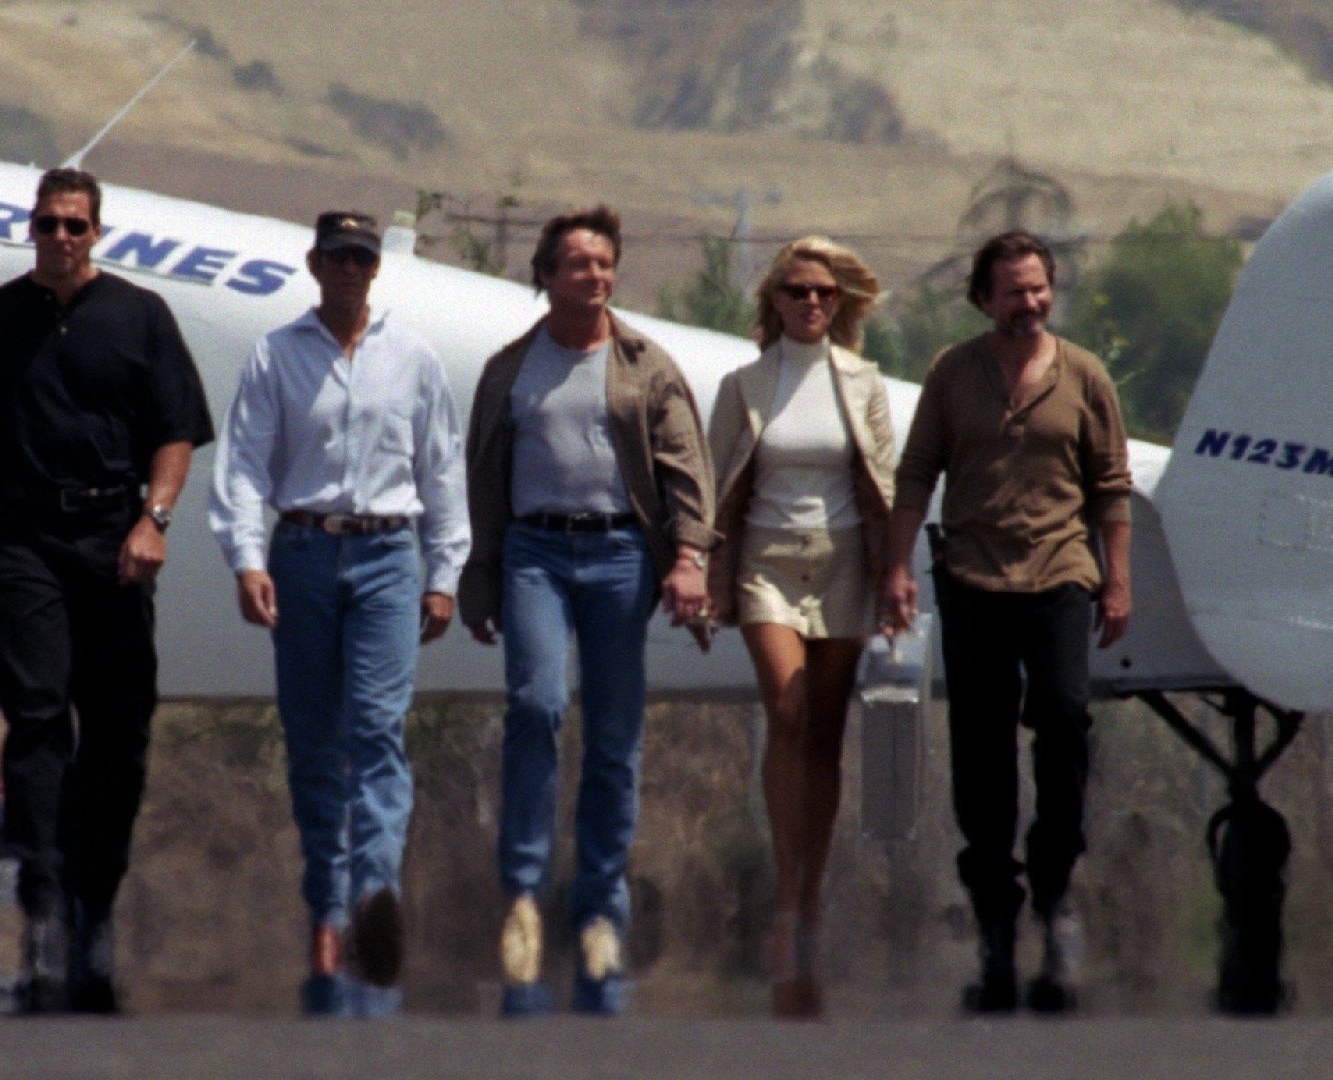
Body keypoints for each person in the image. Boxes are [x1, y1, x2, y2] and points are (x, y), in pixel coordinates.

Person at [0, 167, 214, 1014]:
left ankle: (95, 901)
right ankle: (45, 905)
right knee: (39, 716)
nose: (59, 237)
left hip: (111, 540)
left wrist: (154, 519)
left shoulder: (139, 317)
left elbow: (175, 433)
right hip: (17, 540)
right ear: (30, 227)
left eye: (74, 225)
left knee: (119, 731)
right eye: (47, 223)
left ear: (97, 233)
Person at [210, 211, 469, 1017]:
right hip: (304, 554)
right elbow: (244, 466)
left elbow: (442, 466)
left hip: (389, 555)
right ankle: (327, 906)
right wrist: (247, 559)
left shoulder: (413, 357)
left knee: (379, 730)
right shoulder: (277, 354)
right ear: (315, 263)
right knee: (315, 738)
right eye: (338, 256)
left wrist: (444, 572)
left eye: (362, 256)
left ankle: (373, 898)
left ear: (376, 267)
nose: (351, 268)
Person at [461, 205, 718, 1016]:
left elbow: (687, 472)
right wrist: (479, 574)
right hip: (534, 553)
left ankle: (602, 913)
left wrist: (688, 558)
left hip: (618, 556)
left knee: (613, 734)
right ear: (546, 276)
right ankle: (523, 901)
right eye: (579, 264)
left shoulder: (646, 365)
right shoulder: (510, 368)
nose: (596, 276)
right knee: (536, 705)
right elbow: (482, 479)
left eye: (605, 263)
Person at [880, 230, 1133, 1015]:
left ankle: (1055, 891)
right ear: (984, 299)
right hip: (973, 578)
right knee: (981, 746)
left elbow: (1111, 484)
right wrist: (896, 568)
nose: (1029, 302)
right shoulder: (952, 373)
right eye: (1013, 291)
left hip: (1061, 574)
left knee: (1063, 716)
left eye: (1037, 288)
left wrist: (1118, 580)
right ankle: (995, 919)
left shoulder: (1083, 374)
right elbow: (916, 471)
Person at [702, 237, 894, 1018]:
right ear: (774, 301)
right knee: (787, 708)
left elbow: (884, 483)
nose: (811, 302)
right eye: (796, 291)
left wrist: (895, 574)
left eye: (823, 292)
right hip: (767, 561)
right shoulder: (745, 384)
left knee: (824, 729)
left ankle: (810, 890)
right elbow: (715, 485)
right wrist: (703, 572)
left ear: (839, 302)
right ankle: (786, 892)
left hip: (844, 559)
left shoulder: (863, 381)